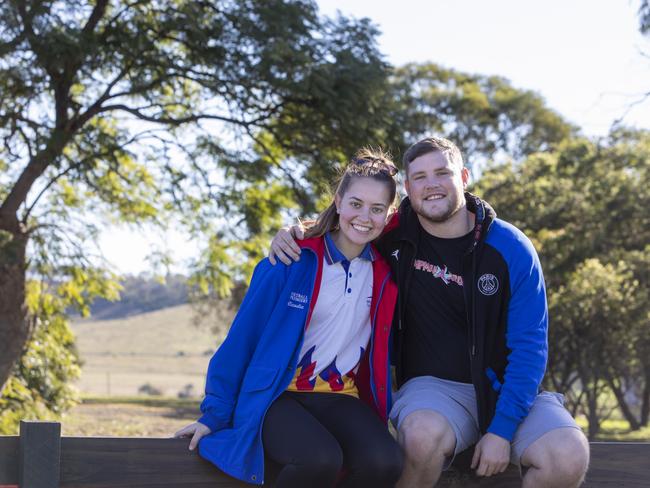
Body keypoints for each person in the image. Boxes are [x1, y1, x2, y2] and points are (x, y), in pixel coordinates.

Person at [269, 137, 590, 488]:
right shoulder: (394, 233)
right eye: (419, 177)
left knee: (568, 455)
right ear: (407, 188)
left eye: (442, 172)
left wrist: (501, 430)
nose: (431, 184)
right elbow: (351, 221)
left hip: (505, 386)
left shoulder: (510, 248)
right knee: (420, 438)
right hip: (435, 390)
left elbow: (530, 349)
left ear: (464, 177)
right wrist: (296, 233)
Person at [175, 149, 404, 487]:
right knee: (320, 459)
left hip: (341, 396)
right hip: (278, 396)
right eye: (355, 204)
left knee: (385, 462)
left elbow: (436, 211)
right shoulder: (291, 260)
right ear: (338, 201)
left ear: (388, 215)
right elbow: (242, 340)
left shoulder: (385, 274)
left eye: (376, 209)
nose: (364, 217)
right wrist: (214, 414)